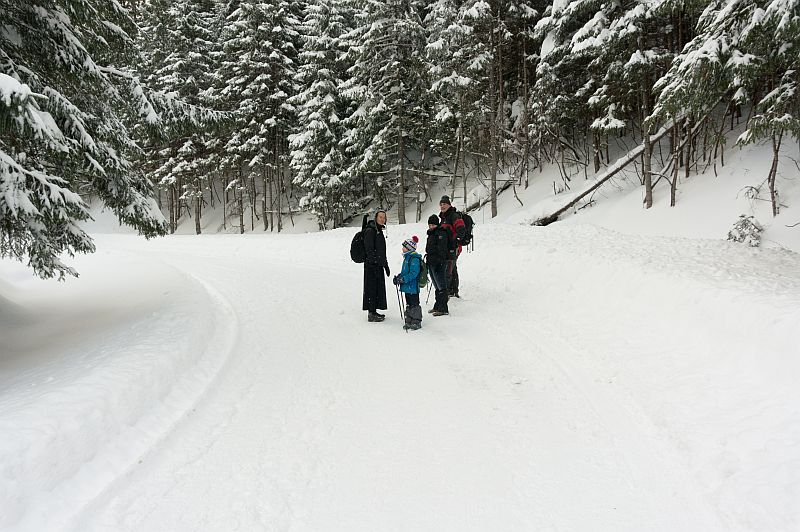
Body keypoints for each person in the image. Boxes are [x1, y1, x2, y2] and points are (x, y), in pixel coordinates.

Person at [362, 210, 390, 322]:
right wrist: (373, 262)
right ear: (376, 218)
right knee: (371, 288)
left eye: (384, 217)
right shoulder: (371, 230)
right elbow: (369, 248)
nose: (382, 219)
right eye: (380, 217)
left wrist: (385, 265)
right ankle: (371, 313)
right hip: (371, 265)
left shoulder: (379, 231)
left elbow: (381, 251)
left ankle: (373, 311)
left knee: (377, 288)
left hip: (378, 264)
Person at [438, 195, 466, 298]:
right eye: (441, 204)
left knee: (448, 269)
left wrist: (455, 242)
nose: (442, 206)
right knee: (452, 268)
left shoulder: (453, 216)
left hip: (453, 248)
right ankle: (453, 290)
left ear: (449, 205)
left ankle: (450, 291)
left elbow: (461, 229)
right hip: (447, 248)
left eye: (444, 204)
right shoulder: (443, 217)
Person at [393, 236, 423, 330]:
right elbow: (405, 272)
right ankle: (409, 319)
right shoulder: (407, 258)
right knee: (409, 303)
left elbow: (414, 274)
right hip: (407, 287)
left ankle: (416, 320)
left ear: (409, 248)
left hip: (413, 287)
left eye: (404, 247)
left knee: (414, 303)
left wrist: (403, 279)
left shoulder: (414, 259)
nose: (402, 248)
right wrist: (399, 277)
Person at [425, 214, 451, 316]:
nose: (431, 226)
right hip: (431, 261)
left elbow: (442, 250)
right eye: (430, 225)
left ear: (437, 224)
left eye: (433, 225)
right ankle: (438, 306)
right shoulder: (431, 234)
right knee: (436, 285)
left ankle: (443, 308)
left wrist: (439, 262)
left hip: (438, 263)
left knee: (441, 285)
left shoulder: (441, 233)